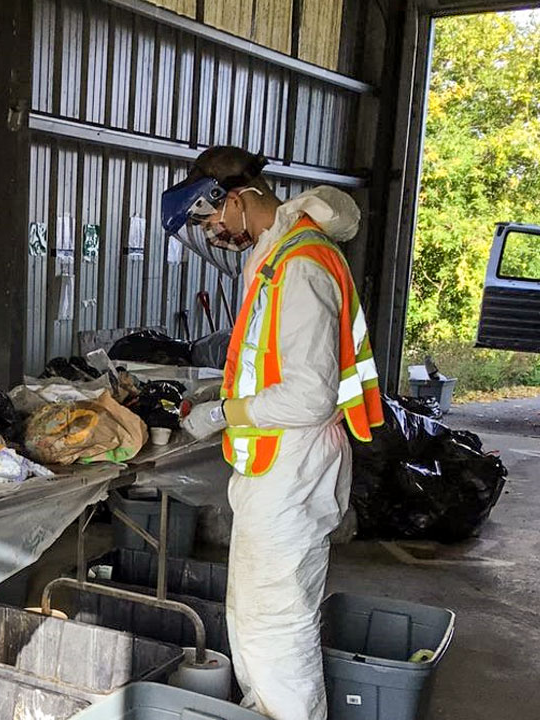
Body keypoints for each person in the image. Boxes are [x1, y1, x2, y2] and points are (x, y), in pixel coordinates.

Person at [161, 146, 383, 720]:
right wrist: (220, 396)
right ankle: (260, 710)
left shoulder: (302, 265)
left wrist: (225, 414)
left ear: (235, 199)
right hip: (276, 465)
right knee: (253, 617)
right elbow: (272, 364)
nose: (211, 235)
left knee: (277, 624)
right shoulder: (277, 253)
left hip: (294, 465)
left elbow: (309, 395)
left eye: (209, 221)